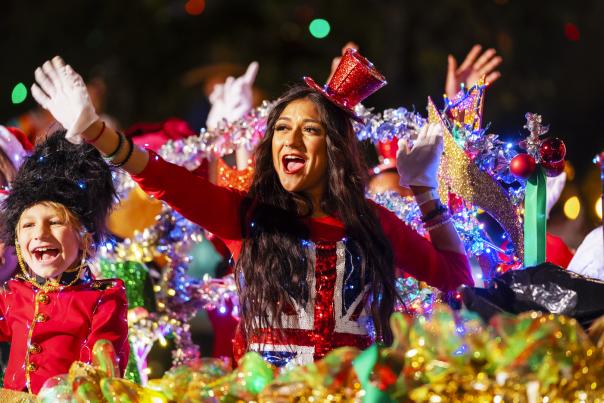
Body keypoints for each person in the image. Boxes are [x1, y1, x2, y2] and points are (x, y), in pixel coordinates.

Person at [31, 53, 472, 367]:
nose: (290, 140)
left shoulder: (372, 223)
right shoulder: (247, 217)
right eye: (281, 128)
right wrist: (95, 132)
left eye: (309, 130)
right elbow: (166, 179)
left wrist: (425, 191)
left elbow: (456, 279)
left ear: (335, 147)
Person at [0, 132, 129, 394]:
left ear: (85, 240)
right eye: (28, 224)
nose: (39, 233)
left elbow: (107, 370)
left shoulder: (103, 300)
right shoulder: (15, 294)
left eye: (55, 222)